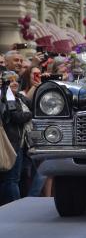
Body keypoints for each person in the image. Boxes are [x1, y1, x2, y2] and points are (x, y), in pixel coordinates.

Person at [0, 71, 32, 205]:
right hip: (10, 143)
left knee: (17, 178)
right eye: (9, 80)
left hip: (22, 143)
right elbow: (17, 117)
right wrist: (30, 114)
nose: (14, 83)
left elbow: (34, 105)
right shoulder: (6, 99)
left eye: (16, 80)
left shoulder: (19, 97)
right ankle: (15, 206)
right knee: (11, 179)